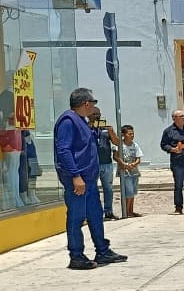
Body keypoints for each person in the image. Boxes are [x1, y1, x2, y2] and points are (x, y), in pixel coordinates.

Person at [53, 88, 128, 270]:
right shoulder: (68, 121)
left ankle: (102, 250)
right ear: (86, 103)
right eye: (93, 104)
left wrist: (94, 127)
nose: (94, 108)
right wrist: (75, 176)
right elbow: (64, 150)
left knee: (95, 215)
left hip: (90, 181)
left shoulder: (83, 122)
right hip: (78, 180)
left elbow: (87, 144)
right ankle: (76, 255)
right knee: (76, 217)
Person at [160, 109, 184, 214]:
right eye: (181, 116)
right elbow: (163, 144)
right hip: (177, 163)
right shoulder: (168, 131)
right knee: (178, 185)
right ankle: (178, 207)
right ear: (174, 118)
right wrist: (172, 149)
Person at [89, 108, 120, 219]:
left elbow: (117, 142)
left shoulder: (106, 129)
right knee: (92, 189)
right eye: (94, 114)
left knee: (108, 189)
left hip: (107, 163)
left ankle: (108, 211)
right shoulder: (86, 128)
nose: (97, 116)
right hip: (92, 164)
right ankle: (94, 212)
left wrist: (111, 132)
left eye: (99, 114)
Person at [116, 124, 143, 218]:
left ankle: (131, 210)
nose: (132, 135)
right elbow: (116, 156)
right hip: (125, 172)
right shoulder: (120, 145)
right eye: (129, 134)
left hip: (134, 171)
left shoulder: (135, 145)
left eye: (133, 134)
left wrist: (133, 164)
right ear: (124, 134)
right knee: (129, 192)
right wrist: (123, 164)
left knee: (133, 192)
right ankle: (127, 211)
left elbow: (138, 159)